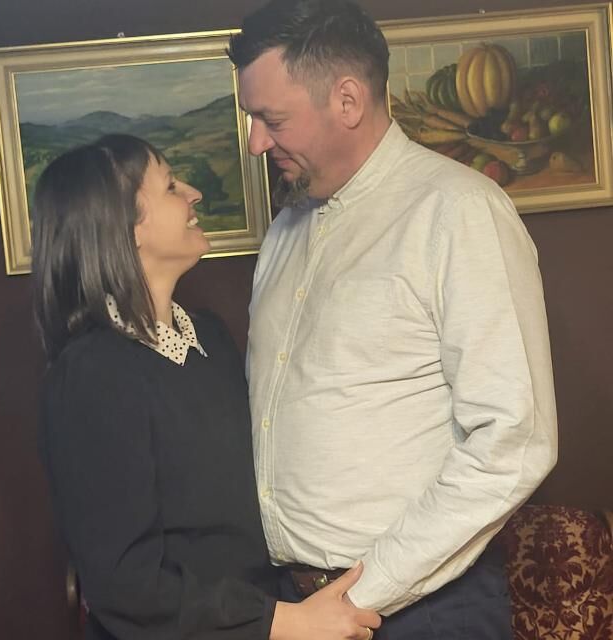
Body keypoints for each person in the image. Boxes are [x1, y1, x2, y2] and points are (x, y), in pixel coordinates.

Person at [228, 0, 558, 637]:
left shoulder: (459, 211)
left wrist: (359, 596)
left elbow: (514, 442)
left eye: (272, 119)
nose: (255, 143)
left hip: (420, 613)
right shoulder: (285, 231)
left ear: (348, 101)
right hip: (296, 611)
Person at [32, 133, 381, 640]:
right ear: (126, 226)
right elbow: (126, 585)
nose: (193, 193)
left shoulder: (208, 337)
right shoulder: (91, 374)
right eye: (171, 185)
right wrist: (286, 621)